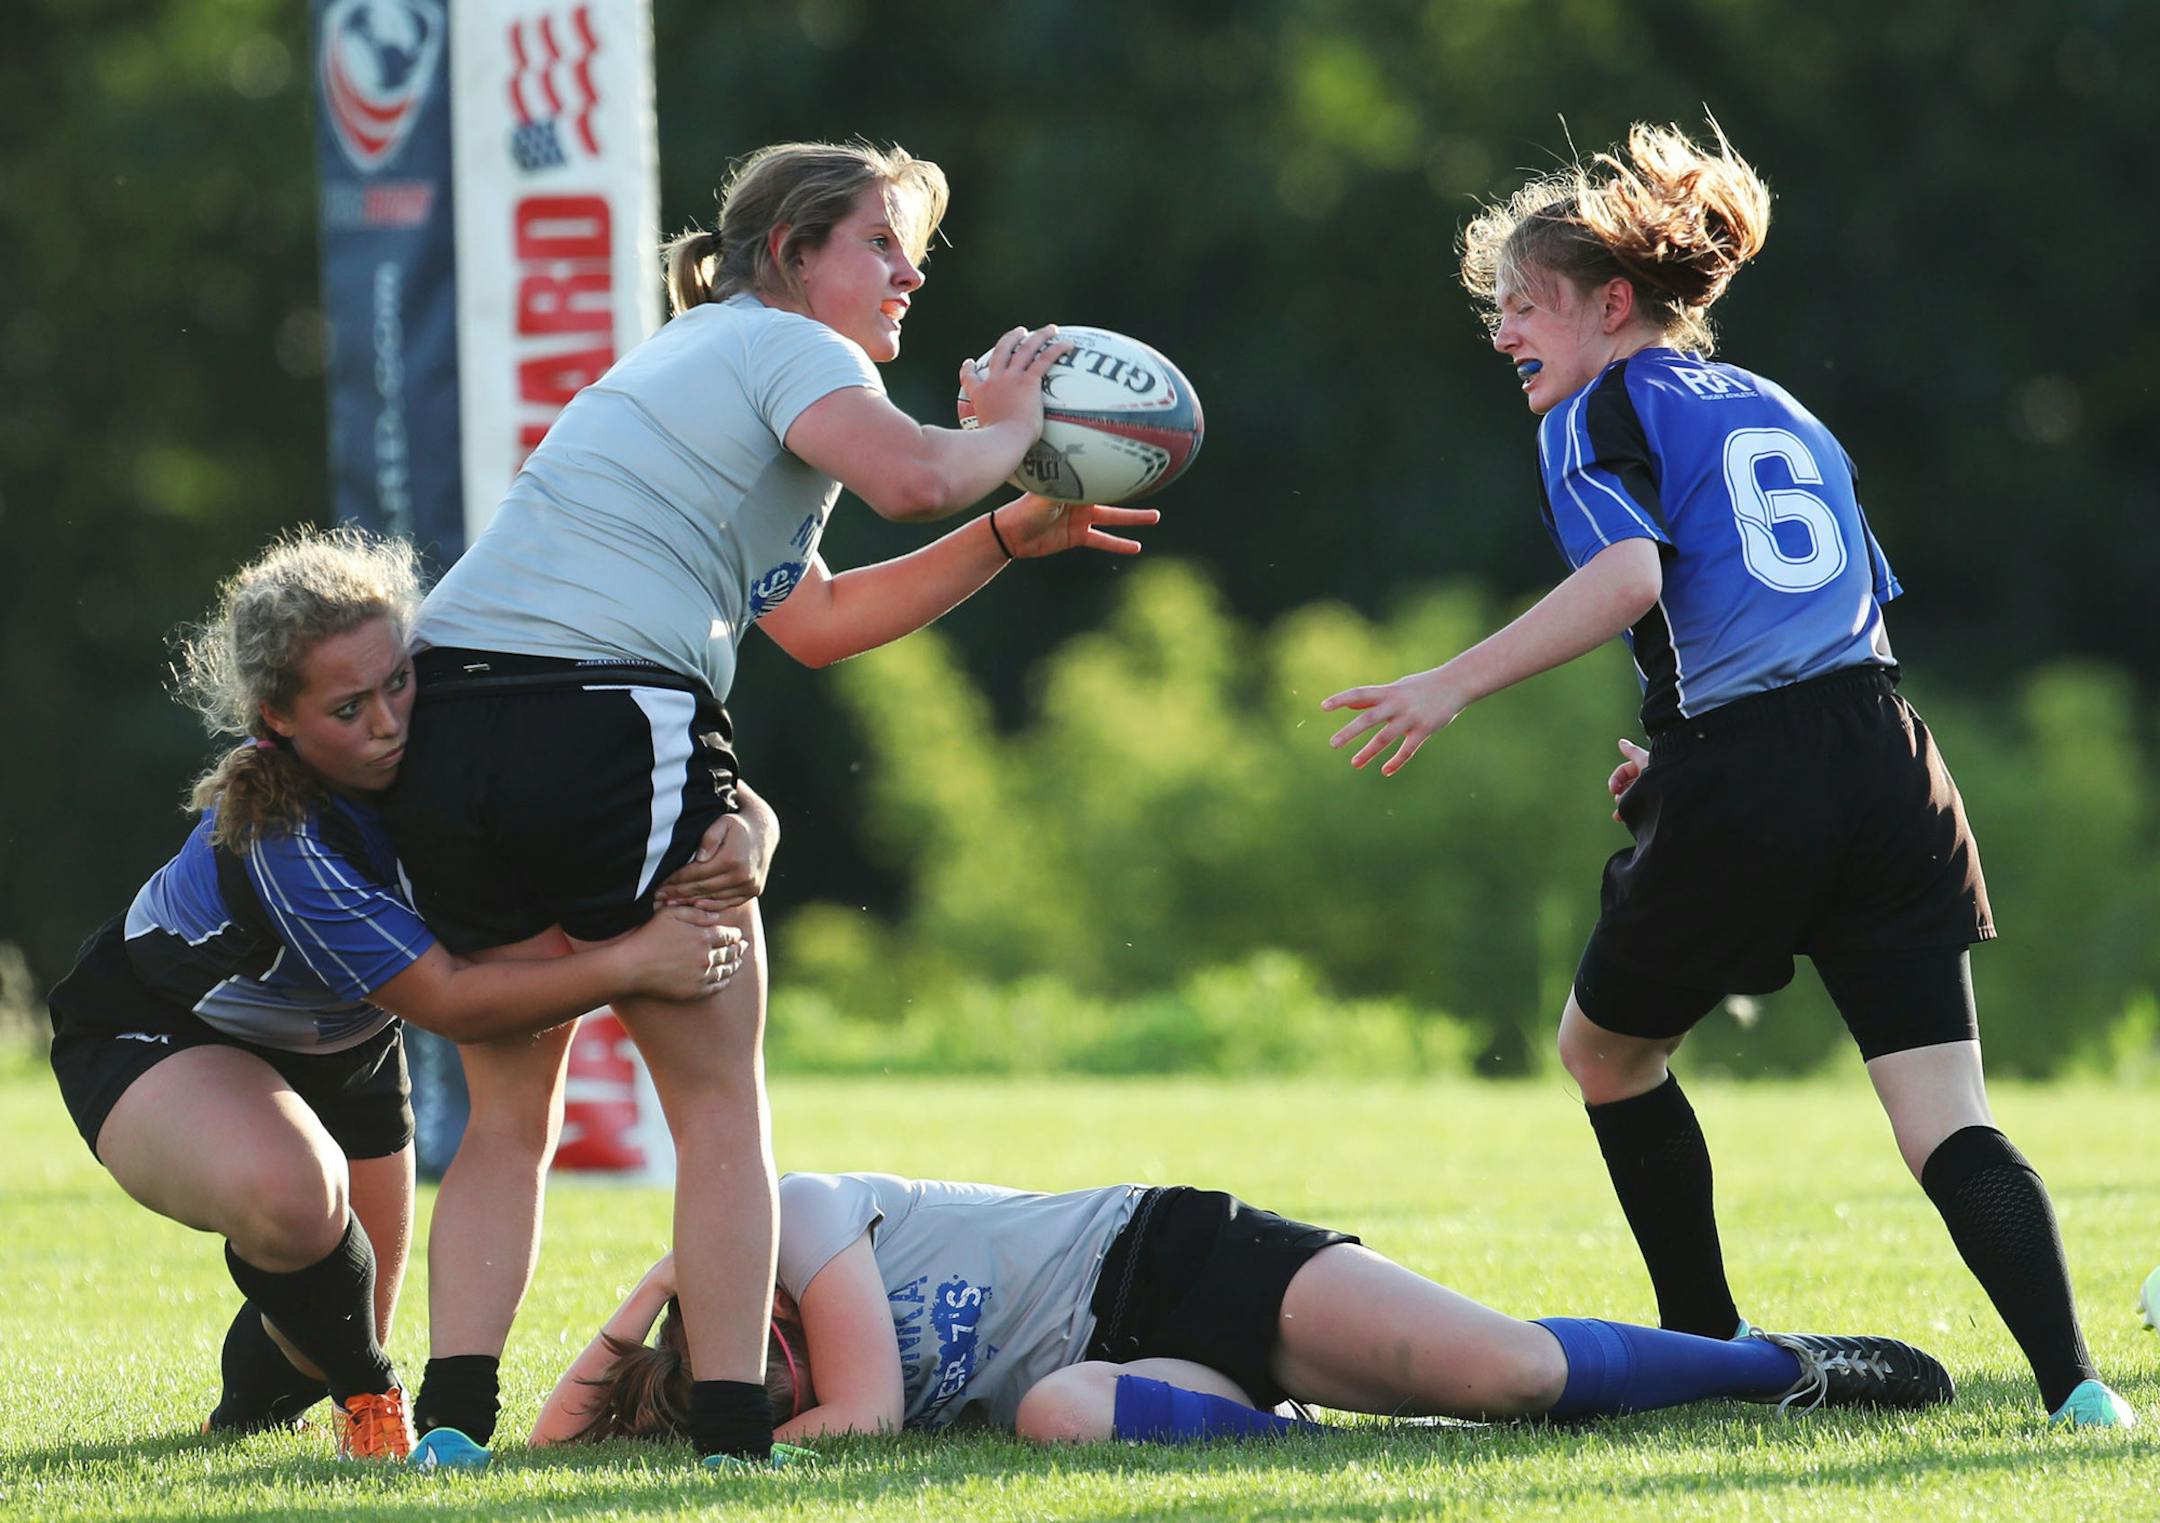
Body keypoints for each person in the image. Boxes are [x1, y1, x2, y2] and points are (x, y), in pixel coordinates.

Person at [1319, 121, 2133, 1429]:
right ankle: (2079, 1387)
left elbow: (1632, 577)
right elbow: (1832, 611)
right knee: (1946, 1115)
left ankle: (1701, 1349)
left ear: (1612, 303)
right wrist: (1686, 747)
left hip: (1758, 771)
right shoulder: (1775, 403)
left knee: (1601, 1050)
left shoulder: (1600, 407)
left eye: (1526, 304)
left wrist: (1450, 681)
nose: (1504, 331)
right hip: (1888, 754)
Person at [380, 138, 1161, 1470]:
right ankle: (734, 1428)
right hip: (600, 710)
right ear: (794, 255)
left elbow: (816, 618)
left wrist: (1001, 523)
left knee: (511, 1106)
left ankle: (449, 1428)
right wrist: (1017, 428)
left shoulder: (703, 365)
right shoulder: (803, 354)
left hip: (444, 726)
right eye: (880, 241)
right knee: (719, 1102)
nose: (909, 272)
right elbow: (918, 474)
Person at [44, 526, 743, 1460]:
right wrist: (635, 964)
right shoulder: (281, 838)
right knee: (296, 1204)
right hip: (159, 1029)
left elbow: (676, 779)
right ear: (276, 719)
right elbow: (450, 1000)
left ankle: (246, 1415)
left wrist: (752, 830)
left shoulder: (446, 727)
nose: (388, 723)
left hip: (347, 1050)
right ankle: (373, 1395)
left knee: (326, 1308)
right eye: (348, 707)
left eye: (398, 682)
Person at [530, 1170, 1953, 1449]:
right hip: (1112, 1362)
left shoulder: (786, 1210)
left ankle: (1779, 1365)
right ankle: (1324, 1439)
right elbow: (551, 1450)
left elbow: (872, 1411)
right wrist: (628, 1345)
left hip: (1165, 1257)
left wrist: (668, 1273)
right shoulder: (753, 1349)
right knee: (1054, 1412)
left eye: (764, 1360)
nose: (785, 1383)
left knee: (1510, 1375)